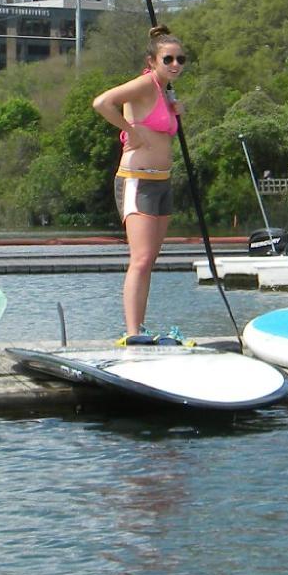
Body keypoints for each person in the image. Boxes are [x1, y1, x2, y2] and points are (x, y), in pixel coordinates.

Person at [92, 26, 189, 345]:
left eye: (180, 59)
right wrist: (129, 131)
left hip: (162, 182)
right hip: (138, 181)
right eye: (168, 59)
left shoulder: (164, 90)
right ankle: (132, 332)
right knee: (141, 259)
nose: (175, 64)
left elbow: (161, 128)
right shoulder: (146, 84)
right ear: (152, 60)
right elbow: (102, 102)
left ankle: (140, 329)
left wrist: (176, 113)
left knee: (150, 261)